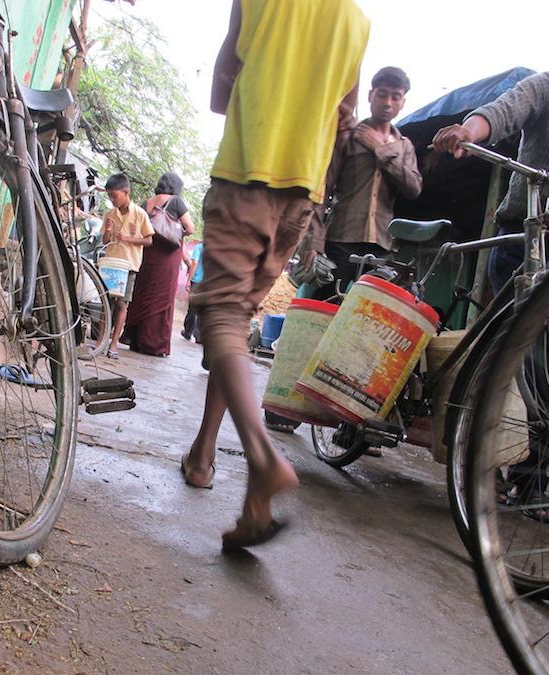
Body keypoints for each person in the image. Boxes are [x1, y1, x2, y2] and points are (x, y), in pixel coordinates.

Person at [182, 0, 369, 550]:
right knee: (234, 325)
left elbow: (221, 87)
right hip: (301, 194)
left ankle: (262, 461)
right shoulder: (357, 23)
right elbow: (344, 116)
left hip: (248, 169)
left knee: (220, 314)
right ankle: (208, 460)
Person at [433, 1, 549, 522]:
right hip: (523, 236)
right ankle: (477, 452)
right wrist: (469, 131)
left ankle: (529, 481)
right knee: (513, 348)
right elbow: (504, 110)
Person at [317, 66, 422, 299]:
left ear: (403, 102)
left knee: (368, 312)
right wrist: (313, 243)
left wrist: (381, 150)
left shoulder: (404, 146)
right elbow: (322, 190)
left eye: (396, 97)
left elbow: (414, 188)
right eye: (382, 94)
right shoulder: (348, 136)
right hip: (341, 238)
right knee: (327, 304)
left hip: (382, 244)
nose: (388, 102)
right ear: (370, 96)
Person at [121, 172, 195, 357]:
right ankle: (153, 344)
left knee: (142, 293)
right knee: (162, 297)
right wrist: (175, 233)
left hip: (148, 253)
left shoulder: (147, 202)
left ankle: (135, 339)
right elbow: (190, 227)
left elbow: (139, 227)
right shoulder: (176, 202)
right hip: (167, 256)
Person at [102, 173, 154, 360]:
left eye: (114, 196)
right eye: (109, 196)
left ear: (126, 192)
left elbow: (148, 240)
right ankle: (101, 340)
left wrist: (129, 239)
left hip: (129, 265)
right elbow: (105, 240)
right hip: (110, 262)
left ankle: (114, 344)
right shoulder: (109, 214)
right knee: (105, 303)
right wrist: (108, 231)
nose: (112, 200)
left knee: (122, 304)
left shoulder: (140, 214)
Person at [181, 241, 204, 343]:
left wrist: (189, 279)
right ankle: (199, 336)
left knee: (193, 308)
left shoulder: (199, 247)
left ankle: (188, 332)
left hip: (197, 281)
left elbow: (194, 263)